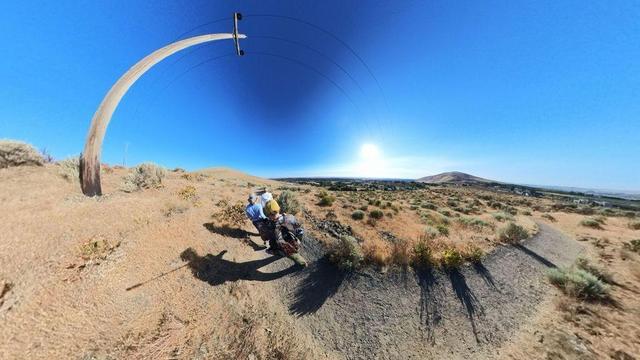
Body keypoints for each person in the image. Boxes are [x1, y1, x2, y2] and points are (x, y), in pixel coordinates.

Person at [262, 199, 306, 266]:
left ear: (268, 214)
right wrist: (299, 240)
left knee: (295, 256)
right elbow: (300, 231)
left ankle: (303, 264)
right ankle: (301, 259)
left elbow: (266, 238)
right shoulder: (290, 217)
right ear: (278, 209)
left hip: (284, 249)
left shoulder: (269, 225)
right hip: (294, 243)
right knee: (295, 253)